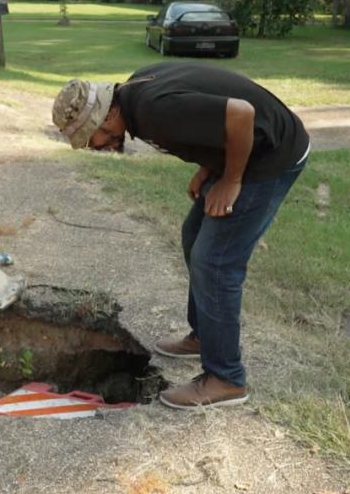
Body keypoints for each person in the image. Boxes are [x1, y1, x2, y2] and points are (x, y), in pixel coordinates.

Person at [51, 62, 310, 409]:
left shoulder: (154, 110)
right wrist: (209, 168)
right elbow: (209, 117)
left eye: (90, 137)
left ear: (106, 116)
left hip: (272, 155)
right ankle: (205, 336)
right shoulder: (134, 95)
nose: (93, 146)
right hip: (248, 151)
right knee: (194, 235)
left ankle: (226, 378)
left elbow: (240, 114)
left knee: (215, 261)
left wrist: (230, 181)